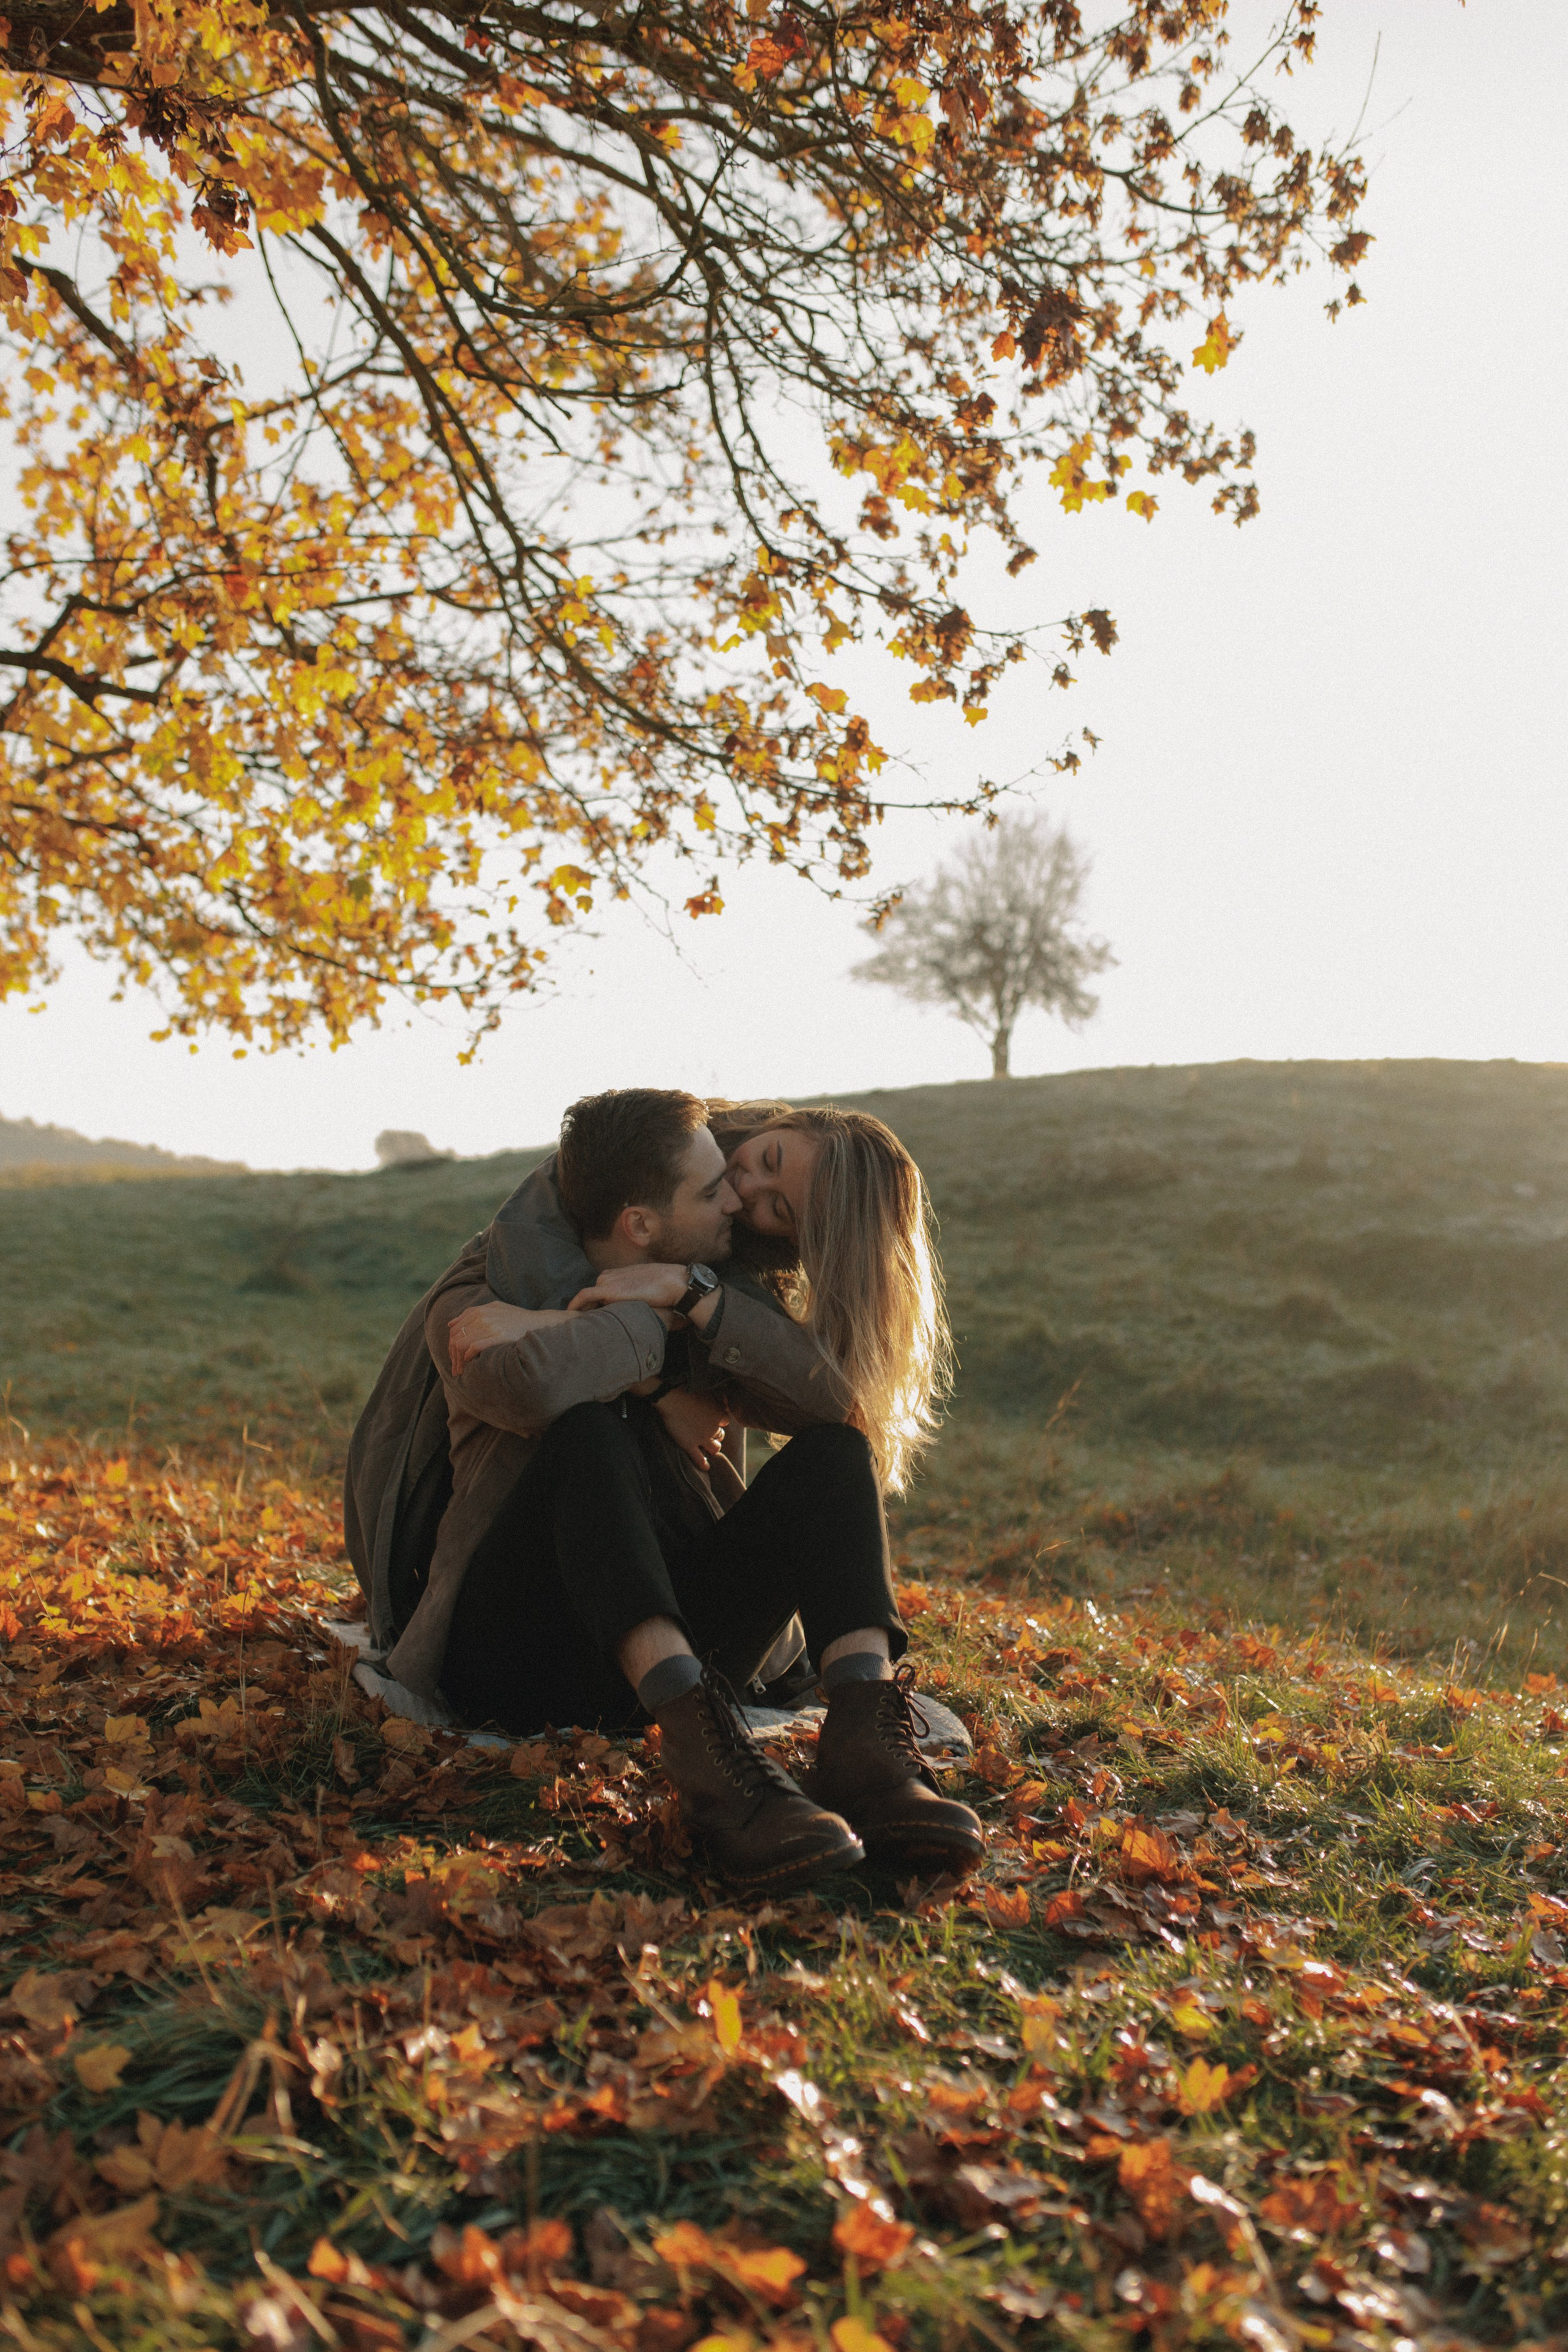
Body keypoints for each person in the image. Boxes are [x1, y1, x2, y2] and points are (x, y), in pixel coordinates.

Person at [344, 1089, 984, 1893]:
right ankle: (707, 1764)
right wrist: (662, 1358)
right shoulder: (503, 1262)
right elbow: (524, 1386)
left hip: (664, 1638)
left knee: (834, 1456)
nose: (746, 1193)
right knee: (589, 1431)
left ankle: (867, 1748)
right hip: (511, 1644)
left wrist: (689, 1298)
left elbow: (832, 1406)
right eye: (768, 1161)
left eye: (777, 1208)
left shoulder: (718, 1284)